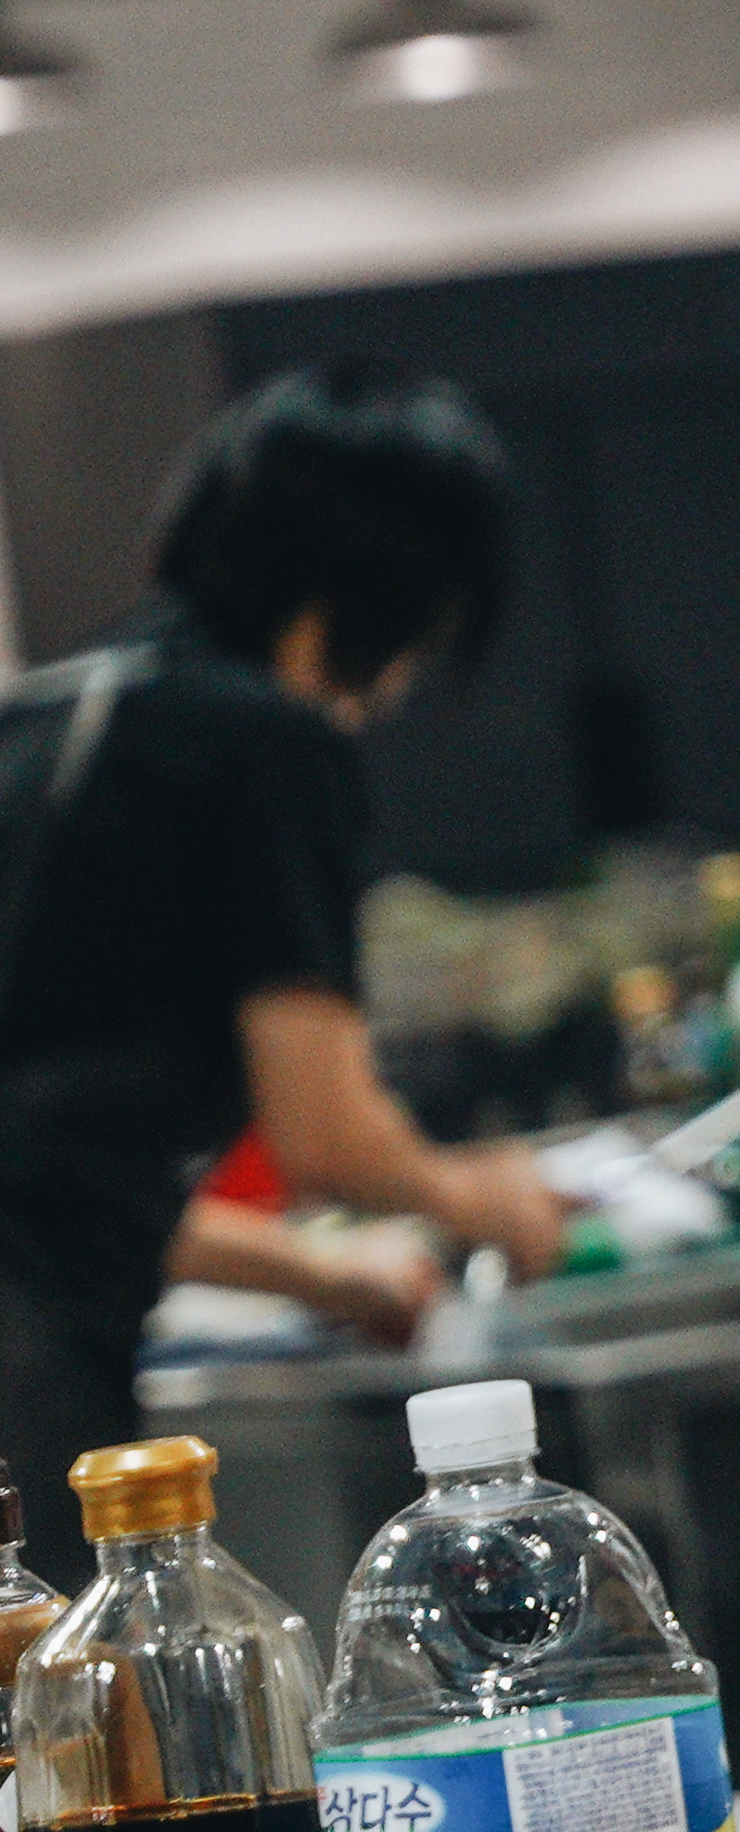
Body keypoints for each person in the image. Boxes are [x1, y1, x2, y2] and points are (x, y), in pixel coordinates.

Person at [0, 365, 570, 1543]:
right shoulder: (264, 742)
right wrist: (482, 1195)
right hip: (28, 1379)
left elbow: (46, 1163)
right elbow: (327, 1135)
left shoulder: (45, 718)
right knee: (68, 1717)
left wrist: (321, 1274)